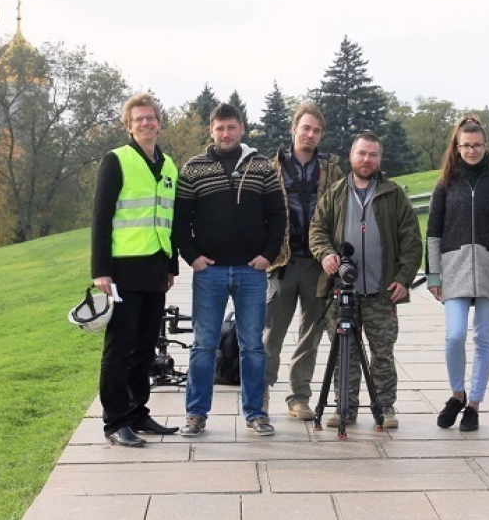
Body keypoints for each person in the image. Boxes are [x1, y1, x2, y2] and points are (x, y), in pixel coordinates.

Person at [174, 103, 287, 437]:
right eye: (220, 128)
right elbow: (181, 220)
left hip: (251, 271)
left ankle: (256, 414)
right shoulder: (193, 168)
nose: (226, 134)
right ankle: (196, 414)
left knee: (252, 345)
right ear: (211, 130)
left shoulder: (262, 166)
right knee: (203, 344)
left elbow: (278, 216)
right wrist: (191, 256)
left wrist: (268, 255)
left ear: (242, 128)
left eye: (232, 127)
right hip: (209, 271)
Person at [309, 132, 422, 428]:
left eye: (373, 155)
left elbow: (411, 240)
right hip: (341, 291)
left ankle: (385, 407)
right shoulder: (334, 193)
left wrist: (403, 279)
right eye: (362, 154)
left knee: (382, 353)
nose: (366, 160)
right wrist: (325, 254)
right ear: (351, 155)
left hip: (381, 292)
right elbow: (317, 230)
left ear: (379, 159)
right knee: (344, 354)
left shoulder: (393, 194)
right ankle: (345, 407)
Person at [90, 92, 180, 448]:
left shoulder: (169, 165)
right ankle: (115, 422)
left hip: (155, 269)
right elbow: (100, 218)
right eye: (139, 119)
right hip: (123, 271)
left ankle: (137, 412)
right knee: (120, 348)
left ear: (159, 122)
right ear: (129, 126)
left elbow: (168, 219)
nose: (146, 123)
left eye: (151, 117)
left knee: (145, 346)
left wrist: (172, 265)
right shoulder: (116, 161)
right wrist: (101, 272)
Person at [426, 116, 489, 432]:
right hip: (454, 270)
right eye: (465, 145)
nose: (471, 150)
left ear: (485, 146)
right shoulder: (444, 185)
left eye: (477, 145)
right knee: (454, 336)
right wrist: (434, 275)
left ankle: (474, 405)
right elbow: (433, 233)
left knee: (482, 338)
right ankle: (457, 394)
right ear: (456, 146)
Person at [263, 104, 344, 420]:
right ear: (294, 129)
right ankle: (260, 396)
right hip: (281, 264)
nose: (310, 135)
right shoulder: (270, 168)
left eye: (316, 130)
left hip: (318, 265)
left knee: (310, 336)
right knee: (271, 336)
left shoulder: (332, 170)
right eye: (306, 128)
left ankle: (298, 398)